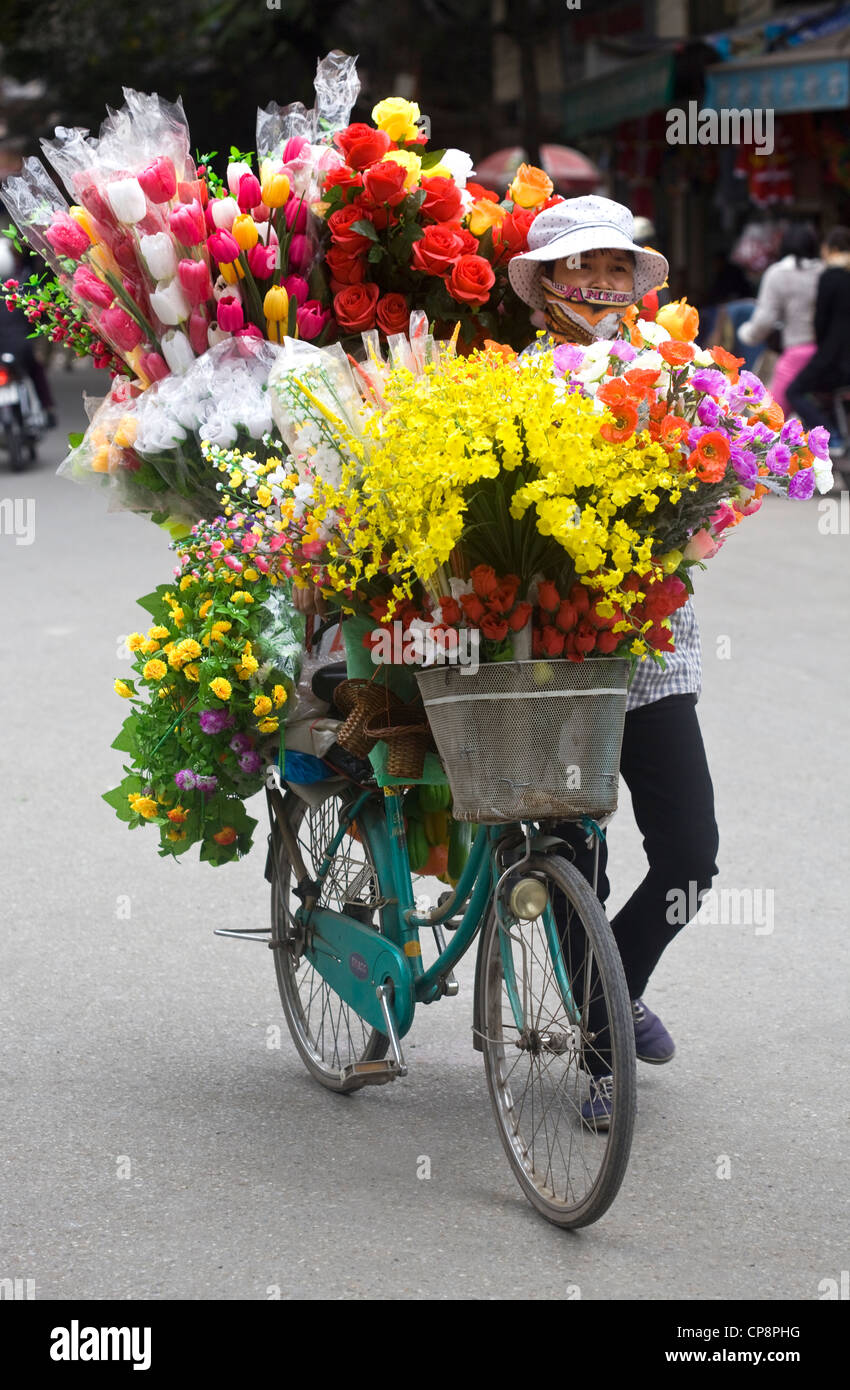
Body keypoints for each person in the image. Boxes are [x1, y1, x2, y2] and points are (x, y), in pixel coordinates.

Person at [508, 196, 720, 1124]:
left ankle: (611, 995)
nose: (601, 283)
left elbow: (715, 490)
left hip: (653, 649)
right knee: (572, 856)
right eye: (580, 267)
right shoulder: (515, 385)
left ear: (637, 281)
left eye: (615, 267)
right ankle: (603, 1051)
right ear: (548, 283)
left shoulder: (676, 373)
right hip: (552, 652)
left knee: (690, 854)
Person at [735, 223, 821, 417]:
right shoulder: (822, 272)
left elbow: (764, 321)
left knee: (770, 418)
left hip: (795, 353)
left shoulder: (779, 273)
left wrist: (745, 333)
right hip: (825, 355)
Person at [785, 225, 850, 455]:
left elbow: (820, 323)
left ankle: (832, 437)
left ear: (831, 249)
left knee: (794, 391)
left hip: (832, 357)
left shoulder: (829, 277)